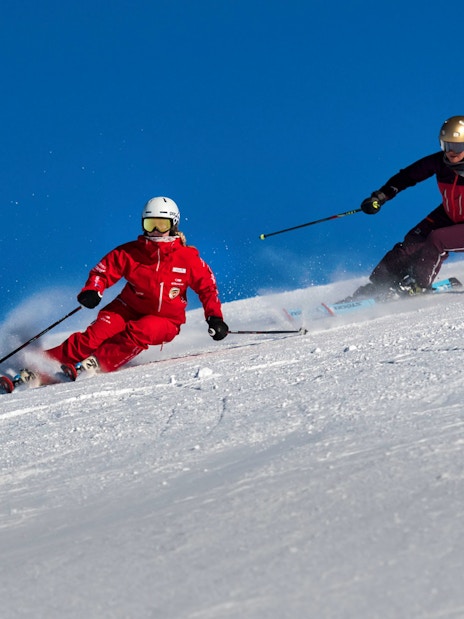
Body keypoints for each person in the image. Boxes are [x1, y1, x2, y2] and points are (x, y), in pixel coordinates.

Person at [45, 196, 229, 374]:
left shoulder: (187, 258)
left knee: (142, 330)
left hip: (166, 320)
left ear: (173, 225)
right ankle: (44, 363)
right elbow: (102, 272)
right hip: (127, 309)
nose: (156, 230)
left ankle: (97, 363)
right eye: (150, 224)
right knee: (94, 335)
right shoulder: (131, 252)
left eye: (162, 224)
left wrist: (215, 318)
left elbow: (208, 288)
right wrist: (93, 290)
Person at [348, 115, 464, 300]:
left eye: (457, 146)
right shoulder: (440, 163)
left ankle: (418, 286)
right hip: (450, 214)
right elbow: (409, 175)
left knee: (437, 240)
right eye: (446, 145)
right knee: (412, 242)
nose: (451, 152)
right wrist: (381, 196)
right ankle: (379, 285)